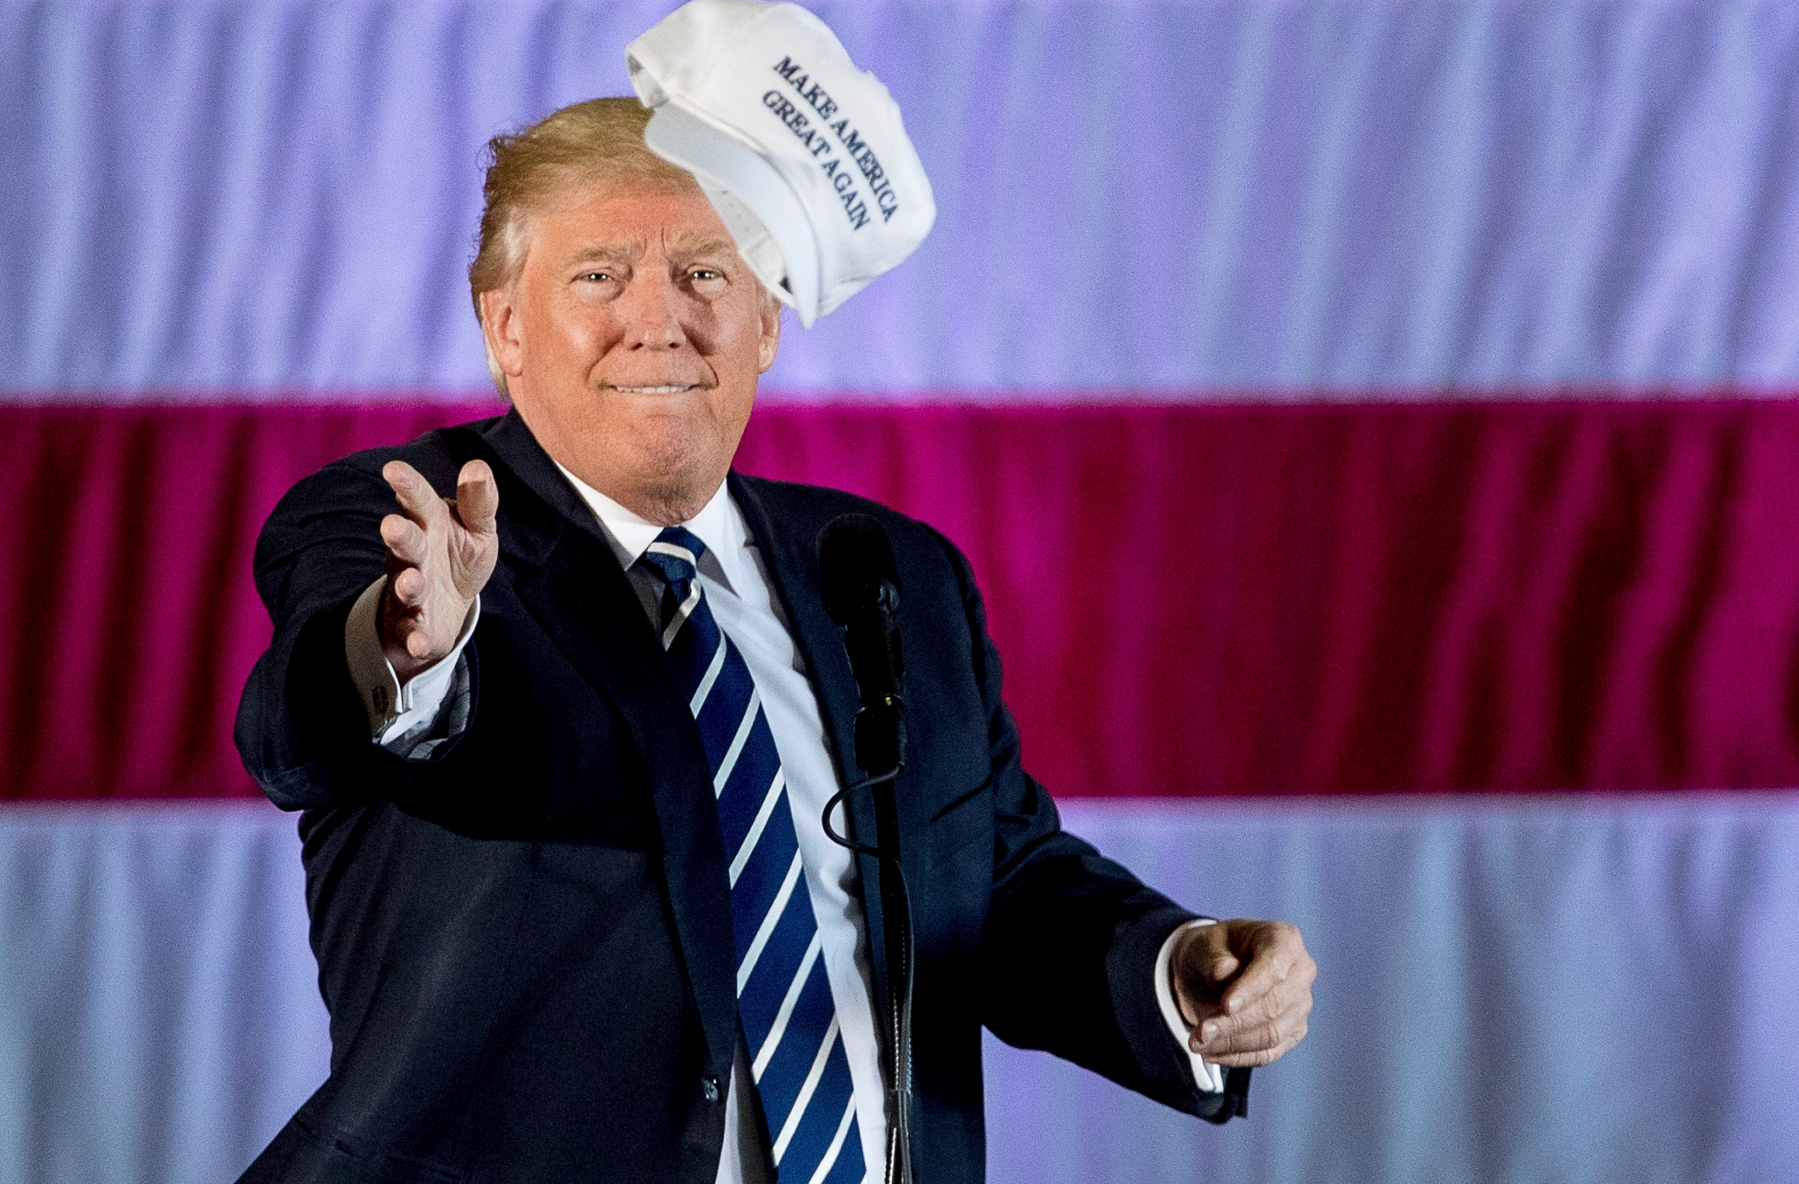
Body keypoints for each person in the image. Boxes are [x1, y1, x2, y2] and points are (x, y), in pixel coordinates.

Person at [234, 96, 1314, 1184]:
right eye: (599, 274)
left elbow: (991, 878)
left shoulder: (897, 572)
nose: (658, 318)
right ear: (504, 324)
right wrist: (412, 647)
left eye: (706, 272)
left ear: (765, 322)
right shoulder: (401, 521)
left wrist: (1170, 971)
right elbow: (305, 727)